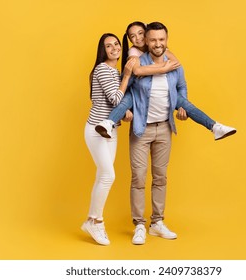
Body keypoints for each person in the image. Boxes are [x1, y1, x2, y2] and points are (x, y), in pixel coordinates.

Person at [95, 21, 236, 141]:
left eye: (140, 33)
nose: (138, 38)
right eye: (133, 36)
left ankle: (214, 126)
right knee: (126, 100)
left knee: (187, 104)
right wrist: (162, 68)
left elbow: (176, 63)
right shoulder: (133, 53)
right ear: (130, 40)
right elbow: (137, 71)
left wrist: (182, 105)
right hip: (137, 92)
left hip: (165, 92)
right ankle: (109, 122)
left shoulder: (159, 46)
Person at [126, 22, 200, 245]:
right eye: (153, 40)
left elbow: (182, 87)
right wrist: (126, 110)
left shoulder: (174, 63)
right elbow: (127, 88)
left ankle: (157, 222)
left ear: (166, 40)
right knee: (138, 178)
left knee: (160, 178)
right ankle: (139, 224)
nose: (158, 44)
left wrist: (181, 107)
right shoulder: (137, 61)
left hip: (165, 128)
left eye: (161, 40)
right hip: (141, 128)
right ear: (146, 42)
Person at [81, 33, 135, 245]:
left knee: (102, 175)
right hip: (96, 130)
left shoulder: (115, 71)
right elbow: (114, 98)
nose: (114, 48)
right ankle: (97, 222)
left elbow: (118, 102)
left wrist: (126, 109)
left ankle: (90, 220)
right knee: (108, 176)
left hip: (111, 131)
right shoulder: (103, 69)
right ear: (103, 50)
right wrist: (128, 75)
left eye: (116, 44)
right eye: (108, 46)